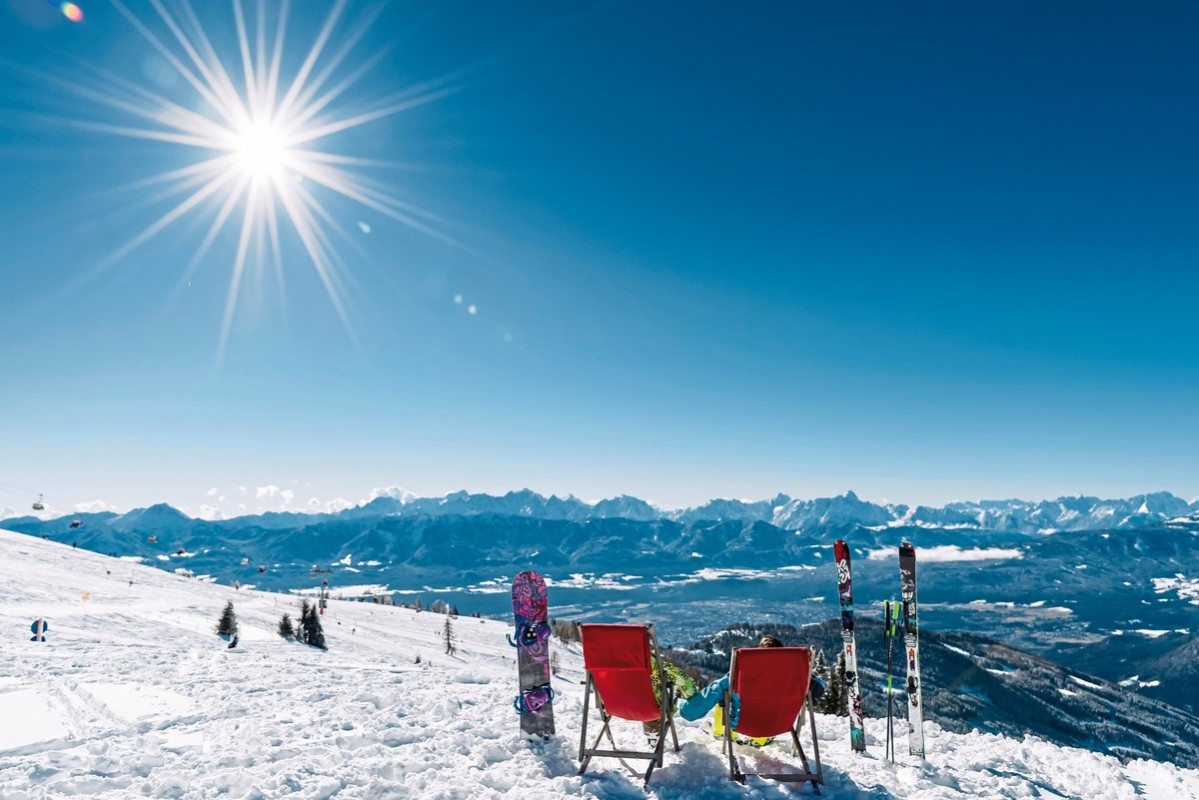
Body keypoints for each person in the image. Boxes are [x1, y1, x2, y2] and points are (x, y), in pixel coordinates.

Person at [678, 635, 826, 733]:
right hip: (780, 725)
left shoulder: (739, 675)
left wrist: (685, 710)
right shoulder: (798, 677)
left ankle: (719, 733)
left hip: (743, 725)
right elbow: (821, 687)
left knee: (723, 694)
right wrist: (805, 675)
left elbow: (707, 698)